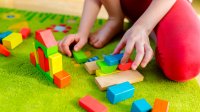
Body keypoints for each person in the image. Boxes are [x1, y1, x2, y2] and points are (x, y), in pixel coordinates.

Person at [58, 0, 200, 82]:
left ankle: (149, 28)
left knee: (185, 62)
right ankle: (115, 19)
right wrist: (83, 32)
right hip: (128, 5)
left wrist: (143, 26)